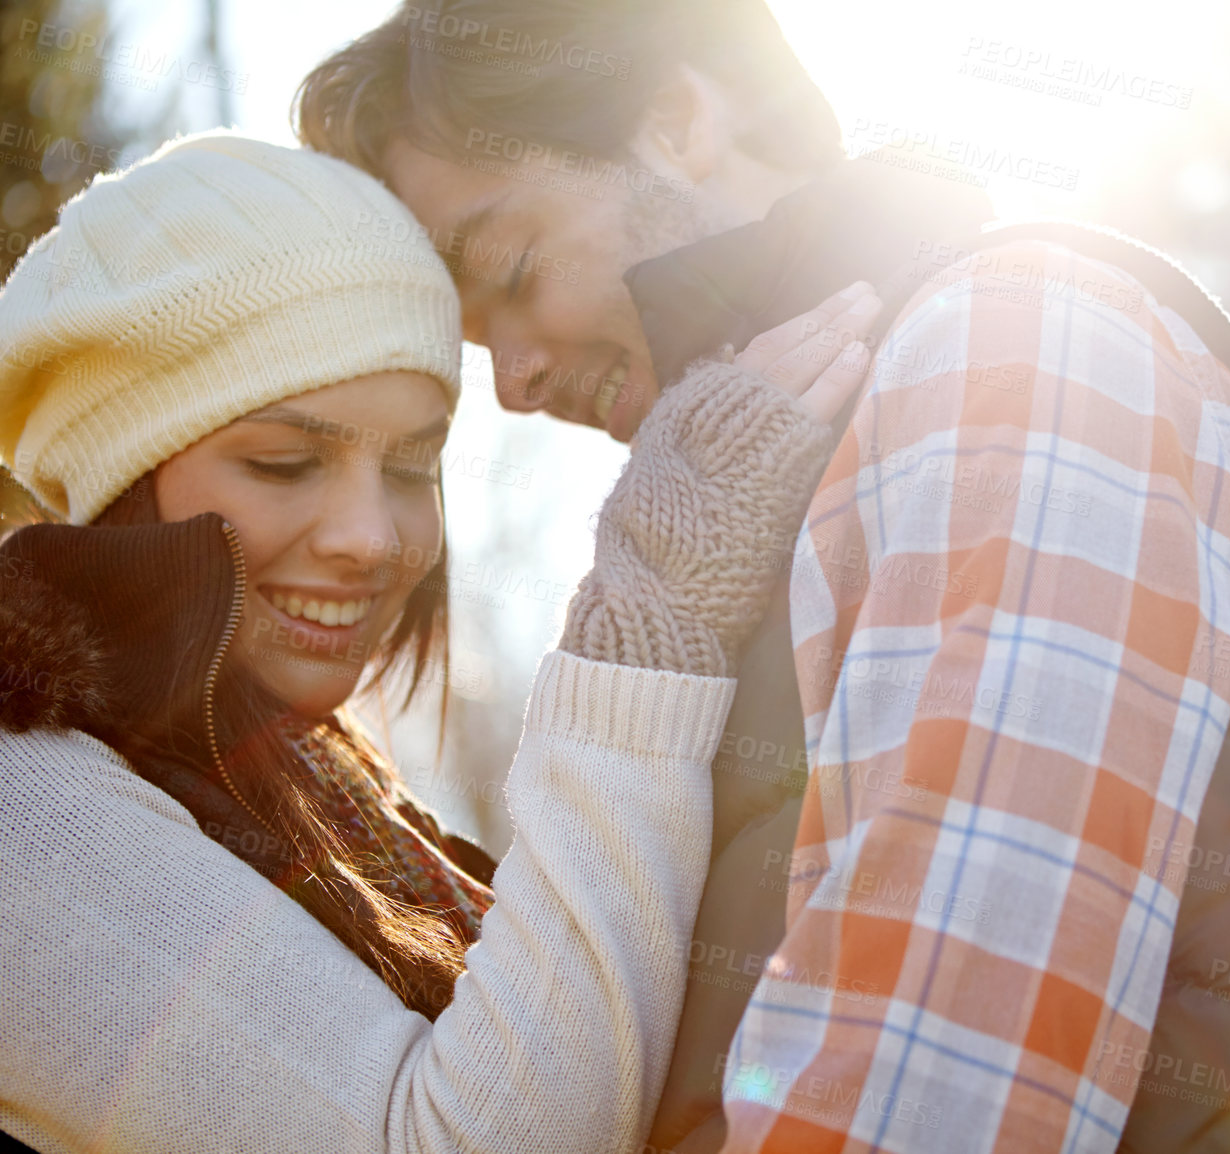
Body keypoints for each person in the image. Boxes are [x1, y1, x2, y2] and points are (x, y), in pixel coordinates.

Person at [298, 3, 1230, 1151]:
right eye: (481, 345)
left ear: (680, 118)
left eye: (512, 271)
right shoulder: (746, 508)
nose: (515, 382)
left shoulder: (1020, 339)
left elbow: (948, 1063)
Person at [0, 131, 879, 1153]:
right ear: (117, 476)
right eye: (285, 461)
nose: (374, 539)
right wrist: (649, 621)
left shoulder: (332, 790)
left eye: (413, 468)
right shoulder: (25, 801)